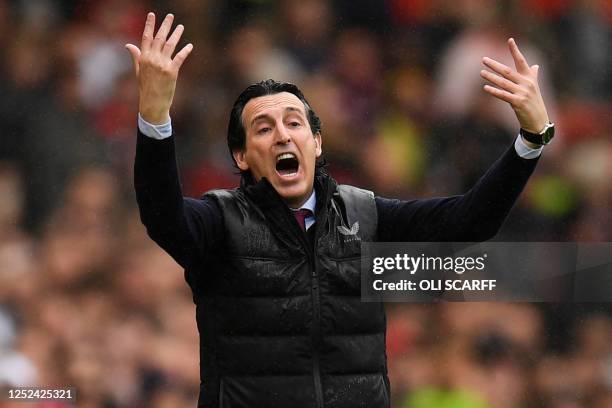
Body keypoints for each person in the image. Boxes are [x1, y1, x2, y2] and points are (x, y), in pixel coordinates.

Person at [126, 12, 552, 408]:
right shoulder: (219, 222)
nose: (282, 136)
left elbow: (469, 221)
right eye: (263, 128)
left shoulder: (366, 215)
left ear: (317, 143)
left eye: (294, 123)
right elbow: (162, 216)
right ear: (241, 156)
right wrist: (155, 116)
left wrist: (530, 140)